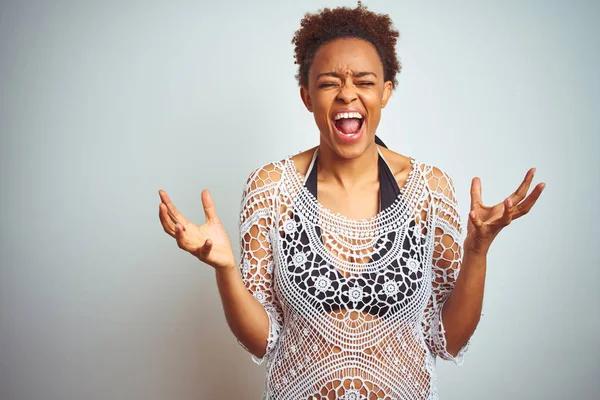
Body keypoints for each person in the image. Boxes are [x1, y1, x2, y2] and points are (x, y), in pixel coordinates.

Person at [158, 3, 545, 399]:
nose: (347, 94)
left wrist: (477, 250)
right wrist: (225, 269)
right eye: (329, 83)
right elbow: (264, 340)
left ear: (385, 92)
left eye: (363, 81)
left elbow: (448, 340)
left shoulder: (428, 189)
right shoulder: (272, 188)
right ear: (307, 97)